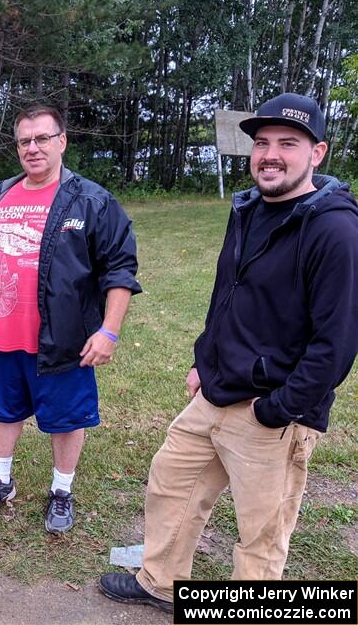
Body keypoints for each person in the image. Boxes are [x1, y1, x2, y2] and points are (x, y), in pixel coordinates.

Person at [99, 93, 358, 613]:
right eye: (262, 143)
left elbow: (337, 343)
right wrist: (204, 360)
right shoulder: (247, 209)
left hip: (273, 412)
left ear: (318, 152)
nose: (271, 154)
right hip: (217, 390)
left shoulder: (334, 230)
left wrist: (278, 409)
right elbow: (228, 296)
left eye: (289, 143)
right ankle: (162, 583)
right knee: (172, 484)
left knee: (261, 532)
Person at [0, 104, 141, 534]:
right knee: (2, 410)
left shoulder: (91, 200)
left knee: (66, 417)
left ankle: (61, 491)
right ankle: (0, 481)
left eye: (42, 139)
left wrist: (109, 330)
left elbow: (120, 271)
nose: (32, 148)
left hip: (62, 339)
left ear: (62, 142)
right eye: (24, 141)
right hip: (2, 335)